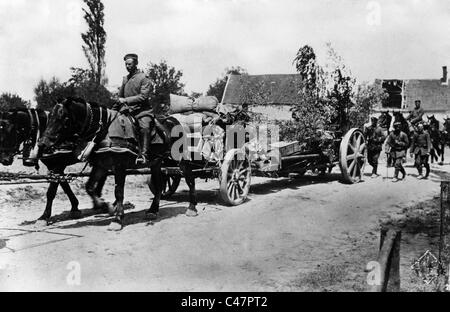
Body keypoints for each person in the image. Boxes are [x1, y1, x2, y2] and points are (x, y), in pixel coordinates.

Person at [112, 53, 152, 164]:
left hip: (142, 112)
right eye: (126, 64)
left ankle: (144, 155)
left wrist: (126, 100)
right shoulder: (125, 79)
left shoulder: (144, 78)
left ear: (136, 64)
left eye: (129, 64)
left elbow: (143, 97)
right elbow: (120, 97)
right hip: (127, 112)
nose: (127, 66)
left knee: (145, 127)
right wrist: (112, 111)